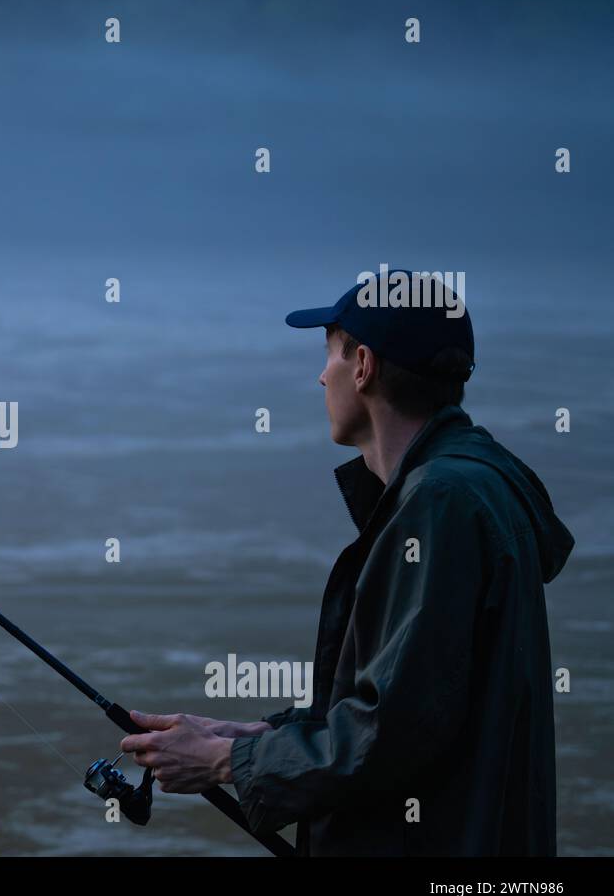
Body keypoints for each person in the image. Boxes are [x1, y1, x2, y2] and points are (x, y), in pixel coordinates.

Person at [120, 272, 574, 855]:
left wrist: (226, 763)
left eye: (329, 351)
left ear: (363, 366)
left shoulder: (441, 502)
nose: (320, 374)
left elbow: (395, 732)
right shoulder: (467, 485)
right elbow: (413, 699)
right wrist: (259, 735)